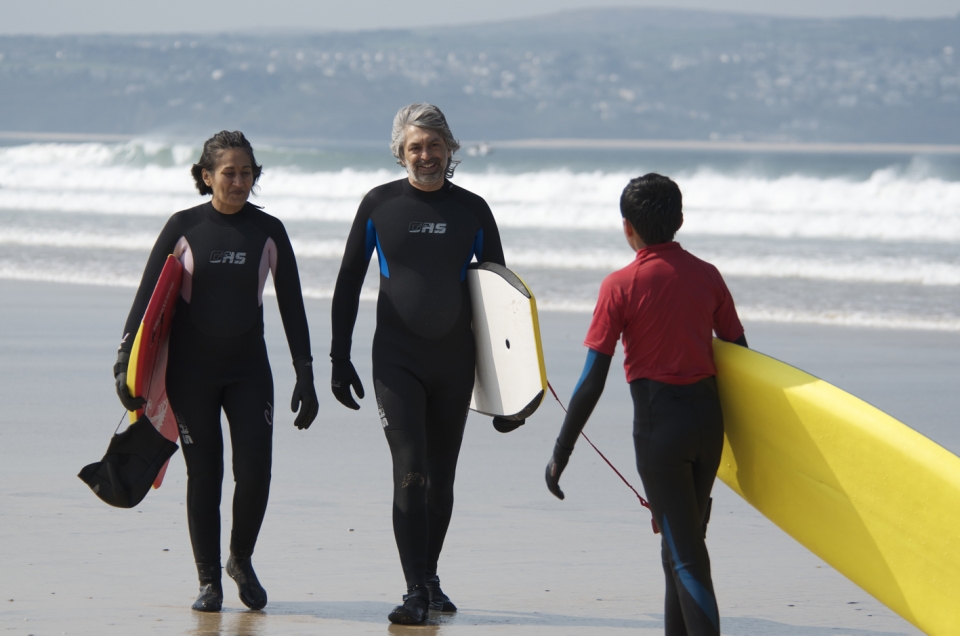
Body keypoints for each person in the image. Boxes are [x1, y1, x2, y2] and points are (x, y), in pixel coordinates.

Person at [113, 131, 319, 612]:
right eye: (229, 172)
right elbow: (147, 297)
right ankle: (209, 580)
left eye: (248, 172)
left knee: (256, 473)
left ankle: (240, 558)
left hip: (248, 370)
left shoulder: (269, 231)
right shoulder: (184, 226)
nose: (240, 181)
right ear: (206, 177)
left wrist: (304, 373)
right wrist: (126, 360)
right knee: (204, 474)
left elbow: (292, 305)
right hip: (192, 372)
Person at [330, 103, 510, 625]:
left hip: (455, 360)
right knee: (410, 470)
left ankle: (429, 576)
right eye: (415, 146)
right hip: (396, 360)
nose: (425, 155)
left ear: (450, 149)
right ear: (399, 151)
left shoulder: (473, 210)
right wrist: (339, 359)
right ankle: (413, 591)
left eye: (434, 145)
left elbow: (501, 299)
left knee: (442, 476)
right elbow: (347, 284)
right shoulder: (378, 205)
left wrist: (511, 390)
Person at [544, 174, 747, 636]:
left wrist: (562, 452)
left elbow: (592, 379)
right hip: (708, 425)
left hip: (661, 433)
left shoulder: (621, 285)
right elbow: (741, 356)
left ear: (626, 228)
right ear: (679, 219)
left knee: (687, 558)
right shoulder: (708, 275)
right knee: (679, 548)